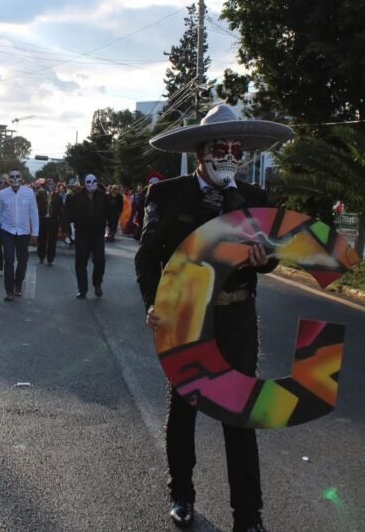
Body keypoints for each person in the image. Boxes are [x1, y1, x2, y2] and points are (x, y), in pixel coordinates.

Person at [136, 105, 292, 532]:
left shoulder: (256, 199)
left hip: (237, 314)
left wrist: (263, 261)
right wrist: (155, 303)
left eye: (236, 148)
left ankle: (249, 515)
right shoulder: (167, 195)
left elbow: (272, 258)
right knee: (185, 406)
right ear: (201, 151)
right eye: (220, 147)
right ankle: (182, 494)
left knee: (240, 412)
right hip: (187, 317)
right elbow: (148, 257)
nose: (229, 154)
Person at [0, 169, 38, 302]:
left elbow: (34, 213)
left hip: (24, 232)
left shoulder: (29, 193)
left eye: (17, 176)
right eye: (12, 177)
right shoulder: (2, 194)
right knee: (9, 260)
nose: (14, 179)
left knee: (23, 261)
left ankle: (18, 284)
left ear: (21, 178)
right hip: (7, 231)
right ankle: (9, 291)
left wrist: (35, 233)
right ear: (9, 179)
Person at [65, 173, 111, 298]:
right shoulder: (76, 198)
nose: (92, 184)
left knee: (100, 260)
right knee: (80, 263)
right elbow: (68, 215)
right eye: (89, 182)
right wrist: (68, 232)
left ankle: (97, 284)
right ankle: (82, 289)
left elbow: (111, 212)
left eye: (94, 181)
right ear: (84, 183)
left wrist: (111, 227)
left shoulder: (103, 197)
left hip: (98, 235)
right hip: (82, 235)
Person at [36, 178, 63, 266]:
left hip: (53, 220)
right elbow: (35, 207)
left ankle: (50, 259)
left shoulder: (58, 196)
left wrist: (62, 224)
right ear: (45, 185)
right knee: (41, 240)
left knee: (52, 241)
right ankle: (41, 256)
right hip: (42, 220)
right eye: (49, 183)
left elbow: (61, 210)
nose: (51, 185)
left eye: (52, 184)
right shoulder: (40, 195)